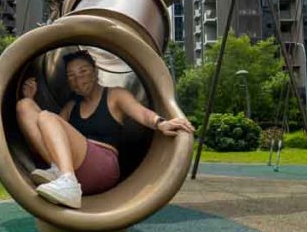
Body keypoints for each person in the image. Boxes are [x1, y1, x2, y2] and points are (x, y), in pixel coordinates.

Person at [16, 50, 195, 209]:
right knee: (24, 106)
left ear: (96, 72)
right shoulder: (71, 107)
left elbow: (141, 113)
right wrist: (31, 98)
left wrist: (160, 122)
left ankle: (67, 181)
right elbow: (45, 137)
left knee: (47, 117)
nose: (78, 79)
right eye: (71, 76)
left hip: (102, 167)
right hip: (74, 167)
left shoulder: (115, 95)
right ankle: (61, 173)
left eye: (83, 71)